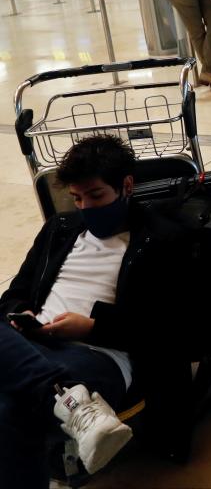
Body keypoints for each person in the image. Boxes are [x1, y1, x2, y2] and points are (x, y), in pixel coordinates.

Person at [0, 135, 193, 487]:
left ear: (127, 186)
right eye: (76, 198)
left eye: (96, 195)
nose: (85, 207)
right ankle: (72, 404)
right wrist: (22, 314)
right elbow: (16, 292)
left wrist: (90, 328)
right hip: (33, 343)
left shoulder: (163, 240)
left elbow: (169, 330)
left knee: (11, 409)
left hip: (99, 355)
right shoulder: (59, 230)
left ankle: (67, 401)